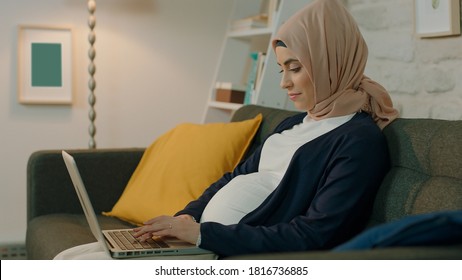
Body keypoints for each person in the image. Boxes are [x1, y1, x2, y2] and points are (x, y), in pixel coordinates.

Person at [55, 0, 398, 259]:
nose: (285, 83)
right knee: (70, 257)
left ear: (331, 63)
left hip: (233, 254)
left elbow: (314, 233)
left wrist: (204, 236)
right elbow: (232, 178)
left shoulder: (358, 141)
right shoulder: (295, 122)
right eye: (280, 69)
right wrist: (181, 223)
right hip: (201, 245)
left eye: (294, 68)